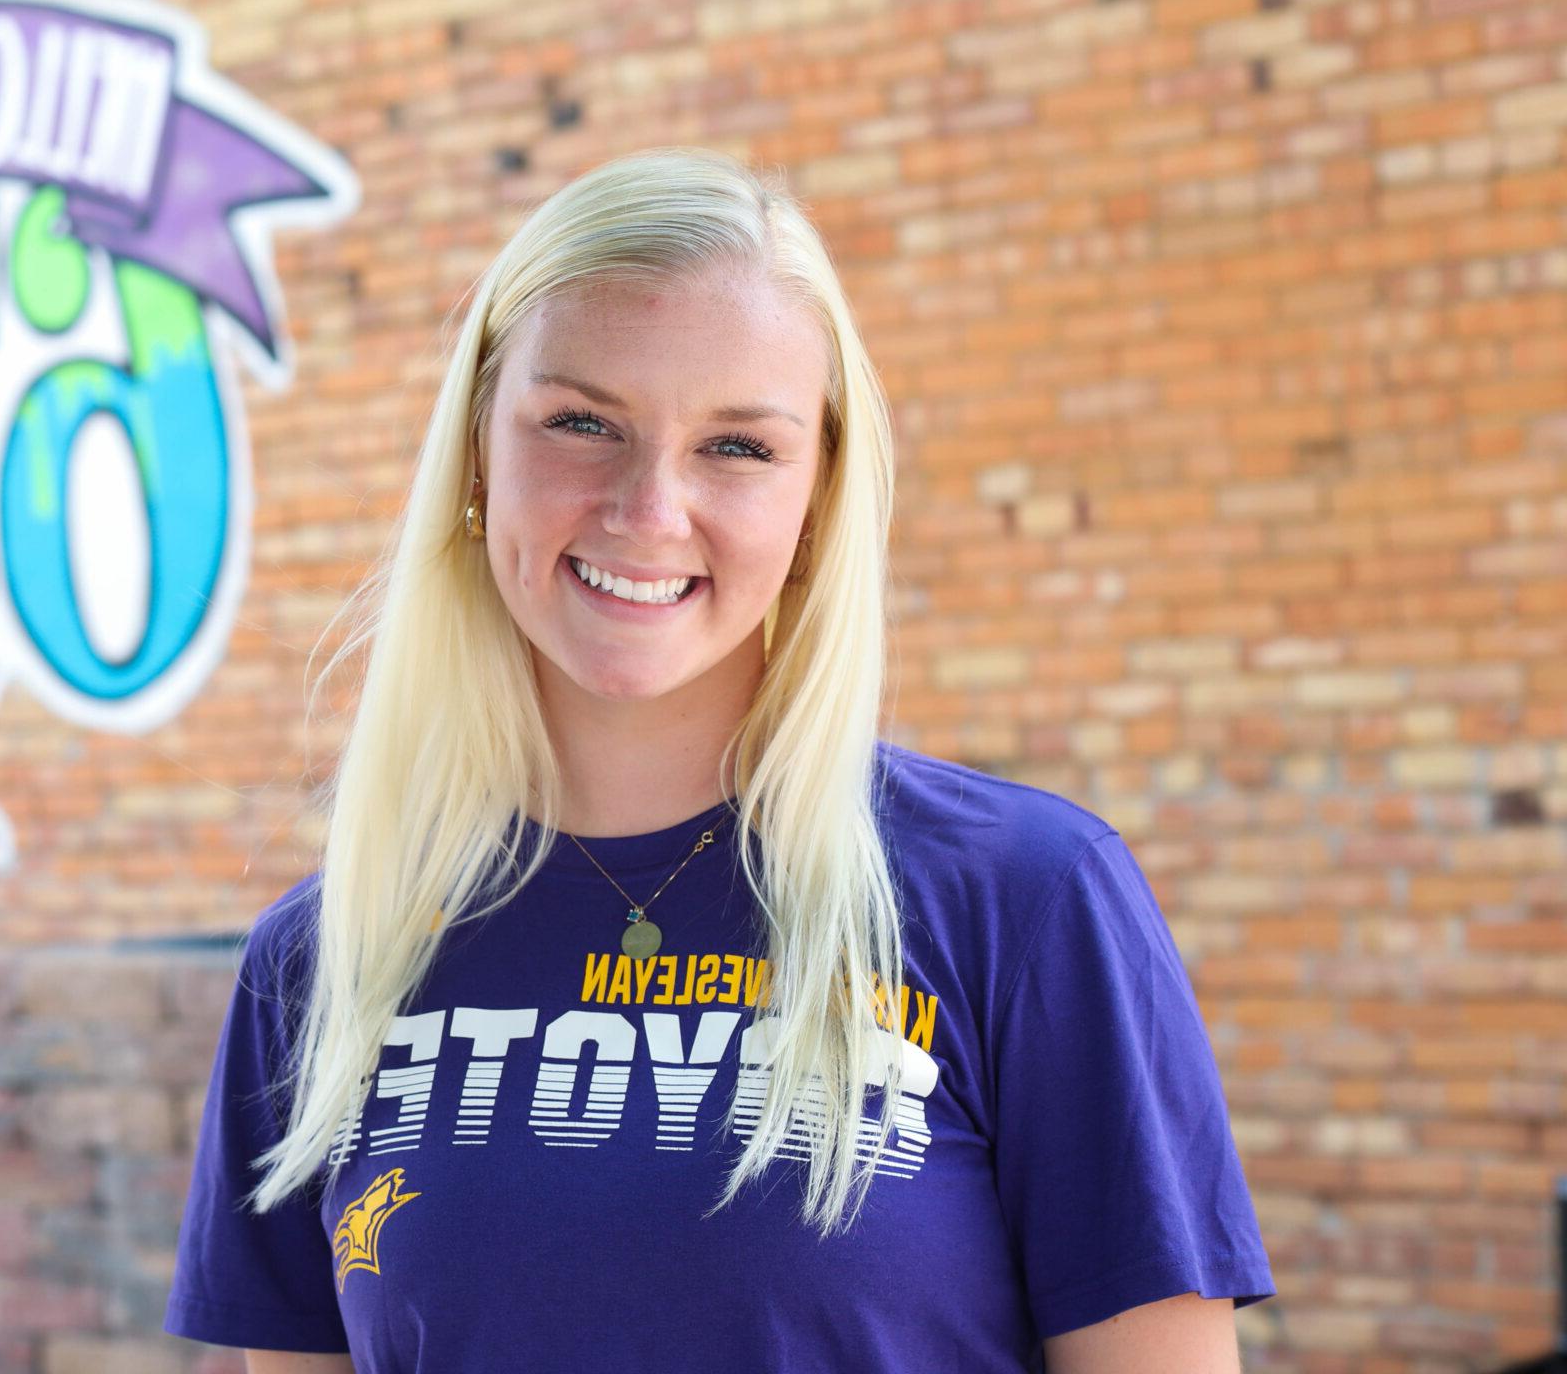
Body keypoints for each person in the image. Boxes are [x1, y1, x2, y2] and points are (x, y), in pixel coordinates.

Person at [161, 146, 1275, 1372]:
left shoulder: (1025, 900)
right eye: (581, 422)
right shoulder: (323, 964)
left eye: (737, 447)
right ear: (480, 451)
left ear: (817, 496)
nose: (648, 510)